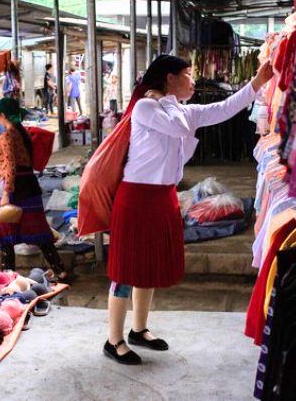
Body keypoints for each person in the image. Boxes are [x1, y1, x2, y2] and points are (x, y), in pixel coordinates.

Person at [104, 55, 274, 365]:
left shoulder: (179, 109)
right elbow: (178, 126)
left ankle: (138, 329)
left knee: (149, 266)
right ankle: (113, 340)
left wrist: (257, 84)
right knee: (126, 269)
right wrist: (166, 101)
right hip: (136, 199)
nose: (193, 81)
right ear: (169, 79)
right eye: (187, 75)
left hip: (163, 197)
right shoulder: (146, 107)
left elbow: (224, 108)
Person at [0, 97, 69, 283]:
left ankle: (8, 276)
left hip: (16, 187)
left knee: (5, 232)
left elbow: (10, 165)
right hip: (30, 184)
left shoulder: (7, 136)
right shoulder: (22, 133)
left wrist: (6, 194)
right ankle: (60, 271)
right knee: (40, 230)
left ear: (2, 115)